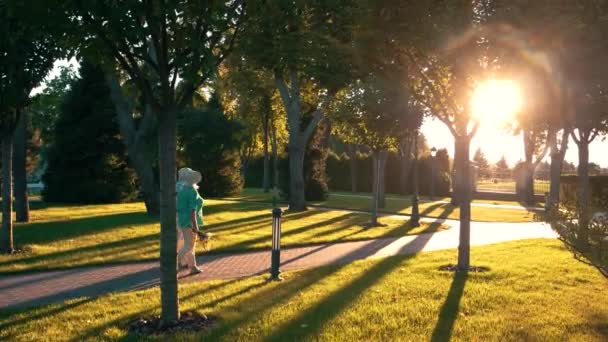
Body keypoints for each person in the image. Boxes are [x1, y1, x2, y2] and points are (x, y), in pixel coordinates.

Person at [176, 167, 204, 274]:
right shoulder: (191, 190)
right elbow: (192, 210)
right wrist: (196, 227)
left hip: (178, 218)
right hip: (189, 220)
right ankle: (178, 264)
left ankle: (192, 266)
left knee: (184, 243)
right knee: (189, 245)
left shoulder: (177, 187)